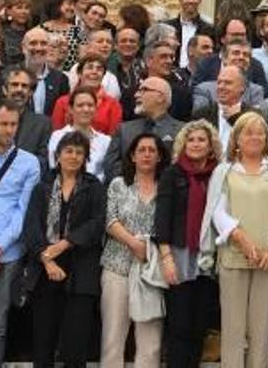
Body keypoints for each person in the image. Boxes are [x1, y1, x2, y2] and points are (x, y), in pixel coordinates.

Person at [200, 112, 268, 367]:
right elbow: (217, 212)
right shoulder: (224, 171)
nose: (255, 137)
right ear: (236, 139)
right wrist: (240, 237)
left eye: (260, 132)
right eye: (249, 132)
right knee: (233, 329)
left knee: (262, 328)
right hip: (234, 258)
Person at [23, 130, 106, 368]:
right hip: (45, 272)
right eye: (68, 151)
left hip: (81, 271)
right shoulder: (42, 187)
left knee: (75, 345)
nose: (74, 156)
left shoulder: (94, 186)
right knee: (43, 343)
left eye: (80, 152)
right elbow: (32, 227)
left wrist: (65, 243)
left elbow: (97, 223)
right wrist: (47, 260)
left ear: (86, 158)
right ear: (57, 155)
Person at [155, 120, 222, 367]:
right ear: (183, 144)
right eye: (191, 139)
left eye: (201, 140)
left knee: (199, 327)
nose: (195, 144)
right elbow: (162, 218)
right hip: (179, 257)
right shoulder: (172, 174)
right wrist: (167, 258)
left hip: (209, 258)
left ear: (211, 145)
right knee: (179, 326)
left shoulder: (219, 174)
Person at [100, 132, 170, 367]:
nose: (147, 154)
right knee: (113, 337)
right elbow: (110, 221)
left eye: (152, 150)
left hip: (151, 270)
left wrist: (148, 251)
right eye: (142, 150)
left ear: (160, 156)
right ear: (132, 156)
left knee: (150, 342)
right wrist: (135, 244)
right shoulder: (119, 184)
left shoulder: (166, 188)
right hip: (117, 266)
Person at [0, 99, 40, 367]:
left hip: (8, 252)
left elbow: (23, 211)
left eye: (13, 124)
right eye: (3, 124)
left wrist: (0, 246)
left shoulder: (29, 163)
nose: (8, 129)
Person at [104, 76, 185, 181]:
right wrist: (139, 179)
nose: (136, 95)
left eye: (143, 90)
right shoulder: (124, 129)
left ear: (160, 97)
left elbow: (183, 167)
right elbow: (110, 166)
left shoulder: (182, 130)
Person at [48, 87, 112, 181]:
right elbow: (54, 166)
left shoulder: (105, 141)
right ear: (70, 109)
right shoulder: (58, 136)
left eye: (90, 105)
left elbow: (106, 172)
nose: (86, 109)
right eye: (80, 105)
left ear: (95, 109)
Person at [51, 53, 123, 135]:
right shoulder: (62, 102)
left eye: (99, 69)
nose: (94, 72)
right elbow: (56, 134)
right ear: (79, 73)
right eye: (90, 67)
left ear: (103, 75)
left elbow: (114, 138)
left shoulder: (113, 105)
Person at [2, 65, 52, 172]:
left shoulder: (43, 124)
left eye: (24, 86)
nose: (19, 89)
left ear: (31, 92)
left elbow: (43, 161)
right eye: (14, 85)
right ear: (5, 90)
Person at [164, 0, 214, 68]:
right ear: (180, 0)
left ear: (200, 0)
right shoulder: (167, 27)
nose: (191, 0)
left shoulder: (209, 29)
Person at [23, 26, 70, 117]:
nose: (39, 48)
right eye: (33, 43)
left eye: (43, 43)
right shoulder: (8, 74)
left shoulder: (61, 79)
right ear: (23, 47)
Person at [39, 0, 83, 71]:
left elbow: (82, 58)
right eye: (69, 4)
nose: (72, 8)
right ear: (56, 4)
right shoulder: (40, 30)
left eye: (74, 5)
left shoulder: (78, 31)